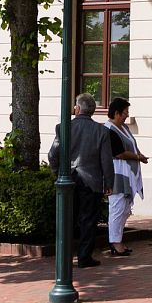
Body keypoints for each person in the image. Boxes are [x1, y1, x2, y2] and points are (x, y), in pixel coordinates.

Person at [47, 93, 114, 267]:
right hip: (92, 181)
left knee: (67, 218)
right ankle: (84, 257)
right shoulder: (102, 131)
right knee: (88, 220)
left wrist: (57, 172)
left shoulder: (63, 127)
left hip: (68, 179)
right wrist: (109, 183)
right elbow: (106, 160)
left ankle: (64, 256)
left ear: (77, 108)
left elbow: (53, 154)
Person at [105, 97, 148, 257]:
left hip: (127, 174)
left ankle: (118, 240)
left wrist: (139, 155)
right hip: (117, 174)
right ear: (116, 113)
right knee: (117, 208)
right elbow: (119, 153)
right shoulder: (109, 129)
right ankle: (115, 243)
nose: (126, 116)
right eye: (125, 113)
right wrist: (137, 157)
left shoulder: (123, 127)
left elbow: (132, 146)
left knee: (124, 209)